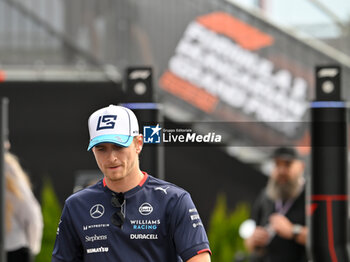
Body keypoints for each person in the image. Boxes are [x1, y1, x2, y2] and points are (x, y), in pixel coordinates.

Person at [52, 105, 211, 262]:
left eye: (118, 146)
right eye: (101, 149)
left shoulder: (174, 200)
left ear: (138, 143)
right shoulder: (76, 205)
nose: (111, 157)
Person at [244, 147, 307, 262]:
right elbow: (250, 238)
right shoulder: (266, 196)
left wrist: (293, 231)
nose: (282, 170)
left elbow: (325, 239)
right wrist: (253, 241)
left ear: (301, 166)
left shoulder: (311, 196)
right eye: (277, 164)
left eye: (288, 164)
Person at [5, 150, 43, 262]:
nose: (8, 145)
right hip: (14, 248)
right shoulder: (7, 165)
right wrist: (32, 247)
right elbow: (31, 214)